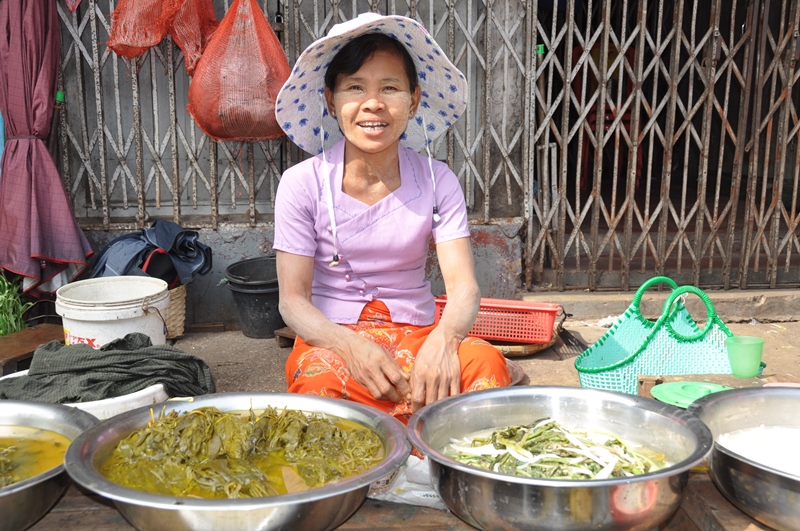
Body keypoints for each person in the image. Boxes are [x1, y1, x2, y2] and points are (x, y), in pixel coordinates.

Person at [273, 12, 510, 424]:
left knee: (485, 365)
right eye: (355, 88)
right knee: (318, 393)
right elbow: (292, 301)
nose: (373, 104)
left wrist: (444, 341)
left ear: (413, 100)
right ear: (331, 99)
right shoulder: (301, 184)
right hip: (332, 341)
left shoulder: (439, 181)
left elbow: (463, 288)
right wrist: (348, 346)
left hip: (419, 335)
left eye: (390, 88)